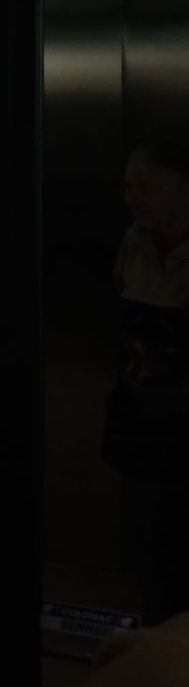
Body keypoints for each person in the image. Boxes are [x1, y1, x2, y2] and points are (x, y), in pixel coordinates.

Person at [106, 141, 189, 625]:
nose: (133, 198)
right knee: (148, 541)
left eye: (147, 187)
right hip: (140, 416)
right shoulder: (135, 241)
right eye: (128, 187)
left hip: (182, 419)